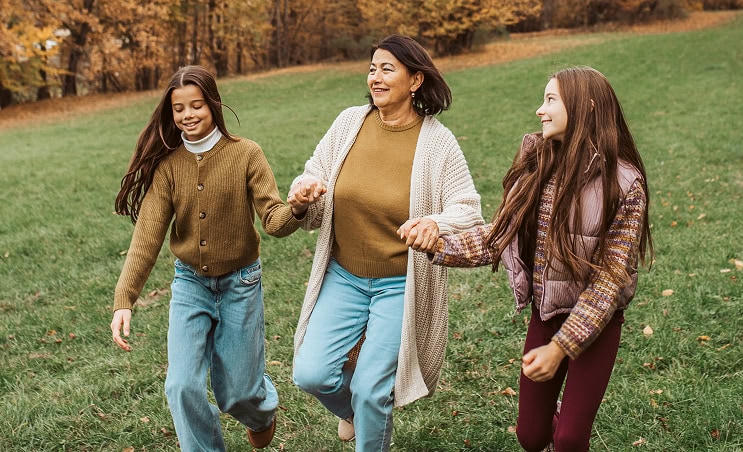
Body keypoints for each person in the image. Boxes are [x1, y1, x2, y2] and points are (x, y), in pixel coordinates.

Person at [412, 66, 653, 451]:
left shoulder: (624, 183)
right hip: (546, 316)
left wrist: (561, 349)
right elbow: (498, 236)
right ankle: (558, 413)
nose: (540, 110)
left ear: (585, 108)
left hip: (598, 323)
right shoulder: (537, 166)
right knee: (531, 436)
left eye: (550, 100)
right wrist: (437, 244)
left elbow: (610, 281)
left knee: (571, 440)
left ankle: (570, 418)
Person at [286, 34, 483, 451]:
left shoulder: (437, 142)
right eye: (372, 68)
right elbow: (314, 173)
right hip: (344, 276)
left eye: (387, 69)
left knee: (373, 390)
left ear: (415, 81)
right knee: (311, 373)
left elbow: (468, 209)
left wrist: (434, 222)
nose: (375, 77)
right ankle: (355, 413)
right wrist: (303, 194)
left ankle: (367, 416)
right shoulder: (348, 123)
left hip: (400, 284)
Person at [109, 65, 301, 451]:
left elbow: (274, 221)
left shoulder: (246, 154)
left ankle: (261, 411)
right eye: (179, 108)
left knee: (238, 393)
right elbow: (147, 235)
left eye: (196, 105)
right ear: (171, 113)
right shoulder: (169, 166)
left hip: (240, 284)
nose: (188, 115)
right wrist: (124, 299)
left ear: (212, 105)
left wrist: (296, 208)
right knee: (181, 386)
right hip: (190, 284)